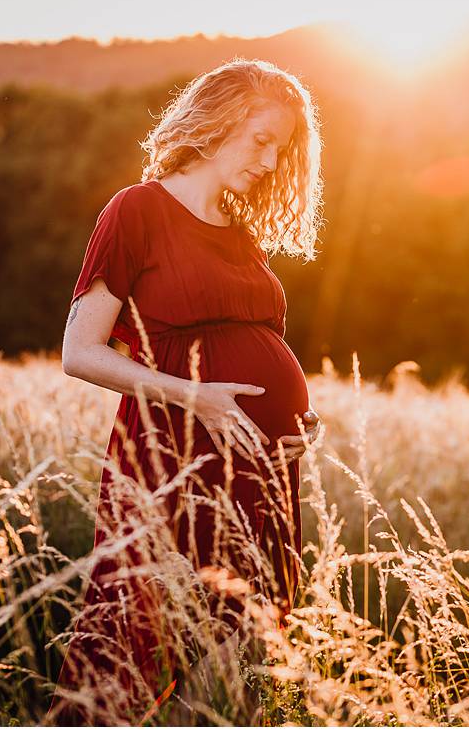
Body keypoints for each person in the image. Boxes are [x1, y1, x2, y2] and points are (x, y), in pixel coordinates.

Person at [46, 58, 326, 724]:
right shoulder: (136, 211)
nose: (269, 159)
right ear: (217, 121)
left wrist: (299, 416)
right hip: (174, 460)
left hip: (263, 471)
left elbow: (254, 340)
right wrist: (190, 396)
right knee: (132, 640)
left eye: (281, 148)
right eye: (260, 138)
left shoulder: (239, 227)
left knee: (243, 659)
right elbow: (79, 352)